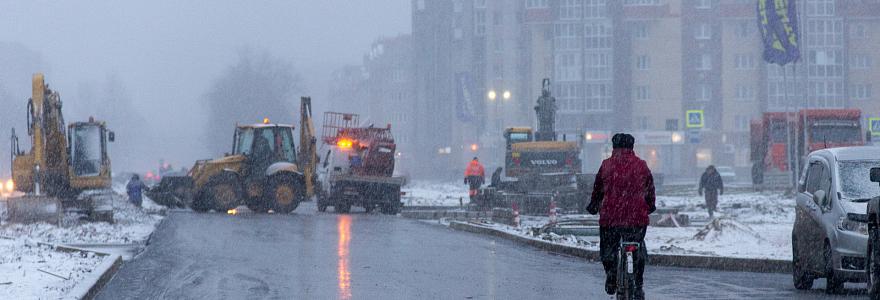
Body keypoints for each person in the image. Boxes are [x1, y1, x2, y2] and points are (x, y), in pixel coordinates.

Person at [586, 133, 655, 298]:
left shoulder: (607, 165)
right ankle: (638, 286)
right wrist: (649, 206)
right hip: (636, 218)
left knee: (608, 249)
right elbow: (650, 189)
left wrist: (594, 205)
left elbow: (598, 190)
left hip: (611, 218)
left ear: (614, 147)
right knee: (638, 247)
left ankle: (611, 275)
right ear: (632, 147)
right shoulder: (641, 165)